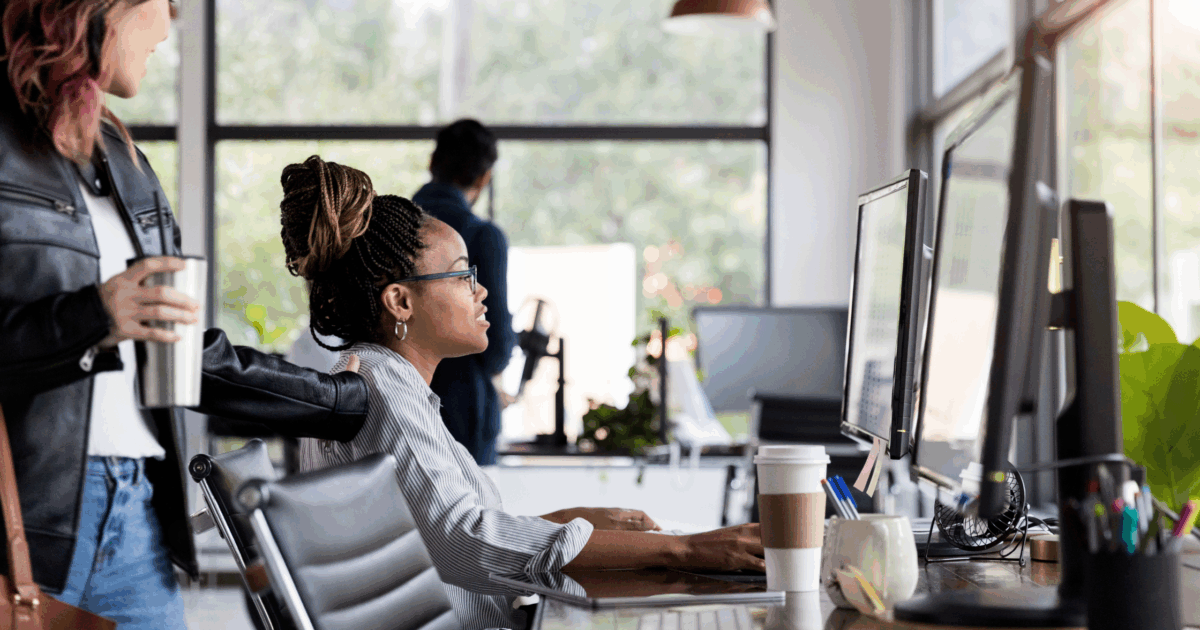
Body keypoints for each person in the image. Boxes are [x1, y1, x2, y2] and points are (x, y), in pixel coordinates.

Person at [0, 2, 369, 627]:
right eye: (162, 5)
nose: (168, 29)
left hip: (137, 510)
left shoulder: (119, 154)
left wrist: (343, 400)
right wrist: (93, 316)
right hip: (26, 522)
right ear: (102, 9)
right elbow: (105, 318)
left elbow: (184, 356)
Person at [285, 156, 764, 630]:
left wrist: (568, 522)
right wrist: (687, 549)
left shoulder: (386, 383)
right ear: (401, 301)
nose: (482, 291)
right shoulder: (382, 393)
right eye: (461, 275)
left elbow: (439, 531)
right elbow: (465, 541)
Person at [412, 119, 514, 465]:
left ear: (432, 164)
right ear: (485, 178)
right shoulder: (482, 236)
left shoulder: (389, 226)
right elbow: (496, 348)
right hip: (462, 412)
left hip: (396, 402)